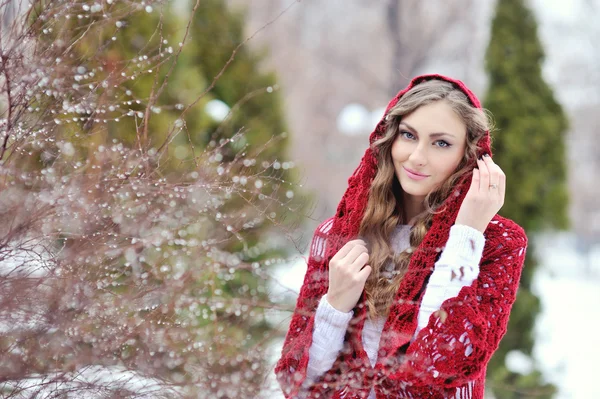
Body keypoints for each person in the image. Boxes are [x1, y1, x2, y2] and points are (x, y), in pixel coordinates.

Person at [274, 74, 527, 399]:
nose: (417, 156)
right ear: (389, 138)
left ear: (470, 156)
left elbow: (439, 367)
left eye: (441, 143)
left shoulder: (497, 244)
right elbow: (297, 384)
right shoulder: (338, 234)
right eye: (408, 135)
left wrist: (466, 236)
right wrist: (335, 306)